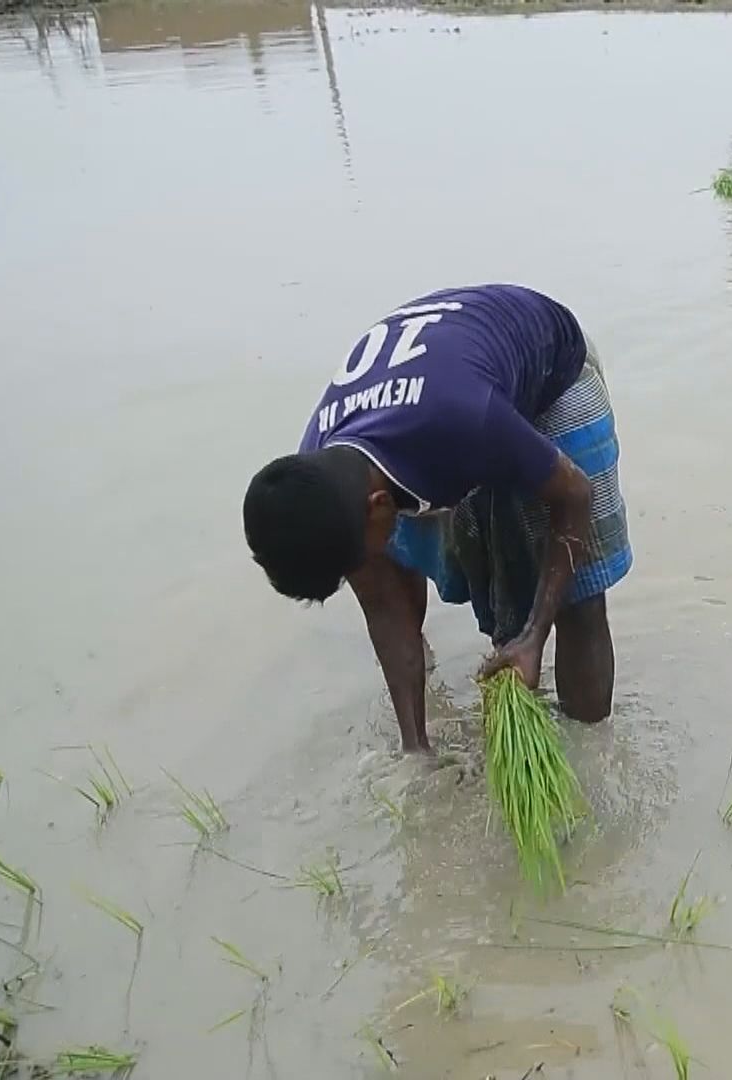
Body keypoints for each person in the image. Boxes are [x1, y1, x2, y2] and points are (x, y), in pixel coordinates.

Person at [242, 284, 632, 753]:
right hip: (448, 396)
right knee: (451, 558)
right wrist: (416, 751)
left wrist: (533, 637)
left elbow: (575, 497)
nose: (359, 576)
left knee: (578, 598)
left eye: (355, 564)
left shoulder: (462, 419)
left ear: (379, 507)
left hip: (553, 373)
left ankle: (591, 756)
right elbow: (385, 608)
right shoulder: (320, 479)